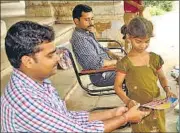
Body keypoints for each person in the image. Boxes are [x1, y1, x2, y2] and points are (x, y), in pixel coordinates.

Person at [1, 20, 150, 132]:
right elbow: (77, 131)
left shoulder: (38, 83)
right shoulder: (26, 100)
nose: (58, 59)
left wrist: (112, 113)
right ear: (28, 61)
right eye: (50, 55)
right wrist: (125, 118)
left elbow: (65, 118)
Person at [115, 17, 177, 132]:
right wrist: (128, 101)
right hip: (137, 108)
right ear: (129, 37)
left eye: (147, 41)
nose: (143, 45)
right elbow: (117, 87)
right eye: (138, 41)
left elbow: (162, 77)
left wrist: (167, 90)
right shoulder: (124, 63)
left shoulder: (154, 58)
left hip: (157, 106)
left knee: (160, 128)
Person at [70, 4, 121, 87]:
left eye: (92, 19)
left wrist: (113, 55)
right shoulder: (80, 39)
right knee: (136, 73)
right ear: (76, 21)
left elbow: (99, 47)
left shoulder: (86, 33)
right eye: (87, 20)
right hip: (102, 75)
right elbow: (95, 63)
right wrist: (116, 62)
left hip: (108, 69)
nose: (91, 23)